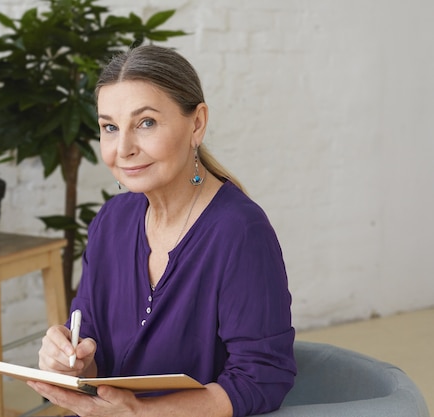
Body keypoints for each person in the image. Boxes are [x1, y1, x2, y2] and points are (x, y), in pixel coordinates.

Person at [26, 45, 297, 417]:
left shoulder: (240, 232)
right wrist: (69, 362)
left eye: (146, 123)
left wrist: (138, 413)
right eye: (110, 127)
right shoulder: (111, 222)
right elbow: (94, 361)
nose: (123, 149)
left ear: (197, 123)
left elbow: (262, 379)